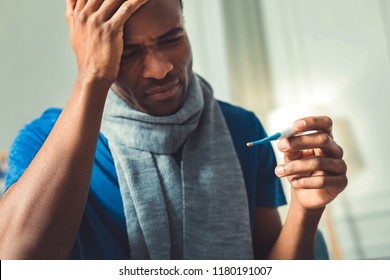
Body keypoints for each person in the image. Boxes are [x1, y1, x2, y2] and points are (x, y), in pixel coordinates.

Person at [0, 0, 347, 260]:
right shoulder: (42, 142)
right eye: (128, 53)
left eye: (173, 38)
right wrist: (92, 77)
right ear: (94, 53)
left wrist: (306, 207)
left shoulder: (241, 127)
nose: (161, 68)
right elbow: (16, 260)